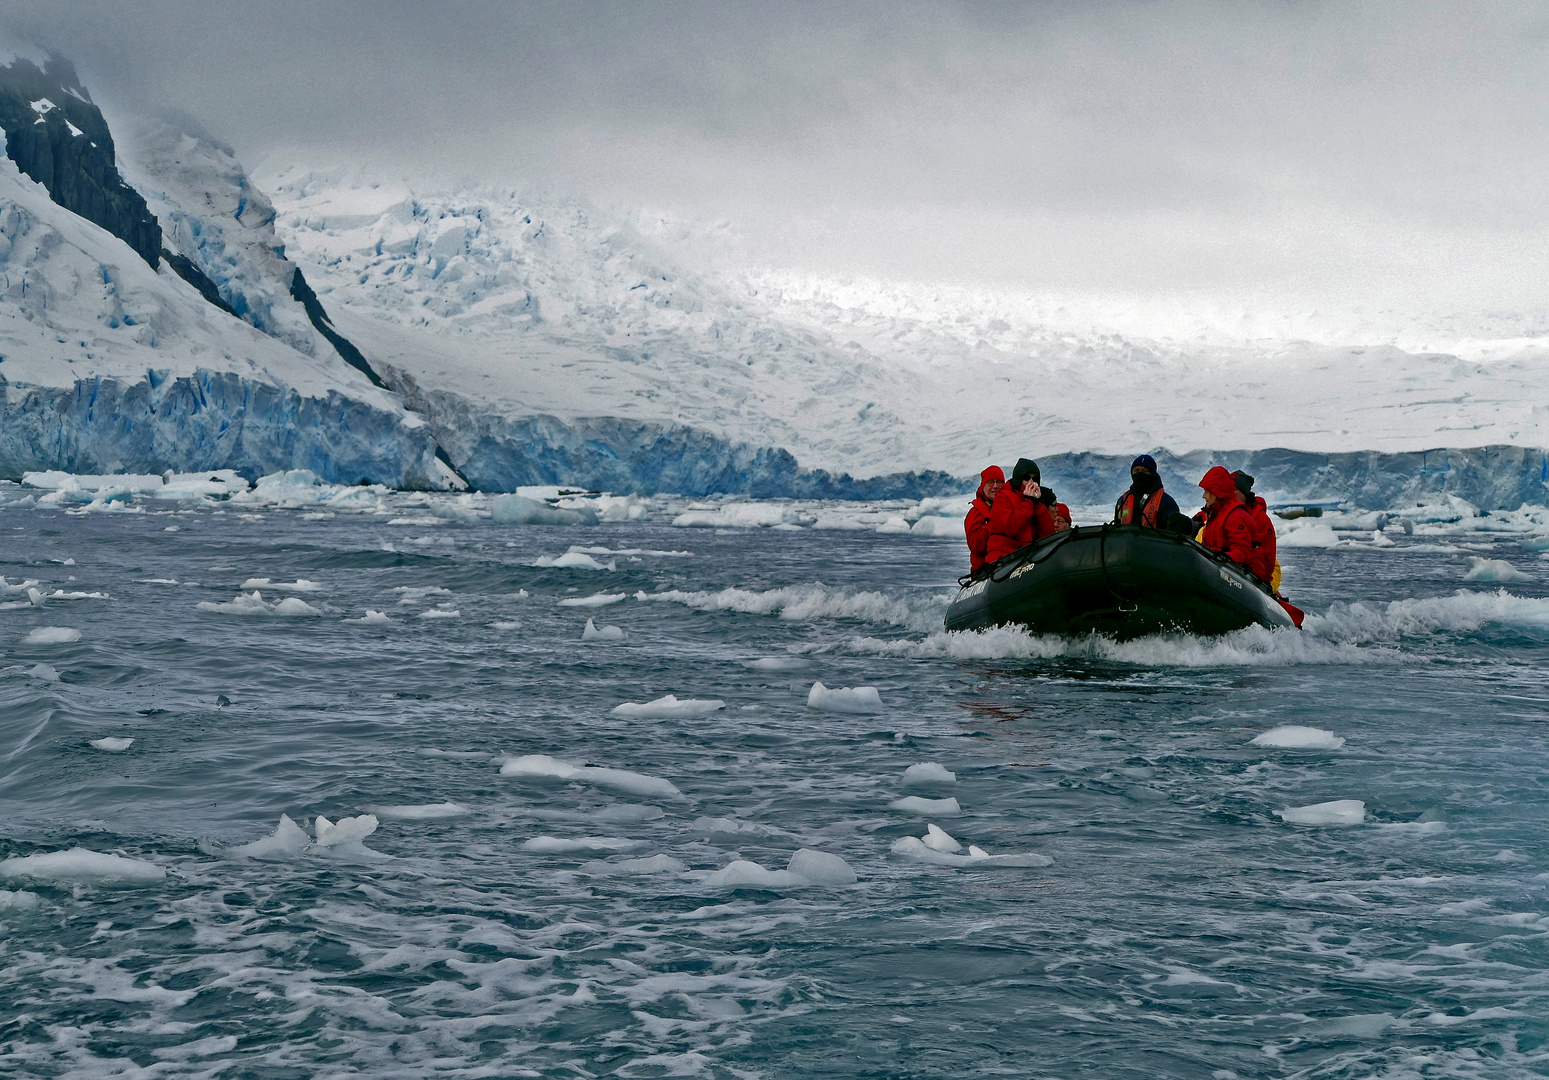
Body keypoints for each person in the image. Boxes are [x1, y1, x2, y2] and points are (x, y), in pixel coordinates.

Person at [985, 458, 1058, 563]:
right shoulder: (1003, 498)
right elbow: (1011, 528)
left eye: (1035, 479)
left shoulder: (1035, 502)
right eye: (1027, 478)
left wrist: (1038, 504)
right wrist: (1027, 502)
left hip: (1026, 556)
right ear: (1019, 478)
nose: (1031, 482)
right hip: (1003, 556)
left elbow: (1048, 534)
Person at [1196, 466, 1256, 569]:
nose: (1203, 496)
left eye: (1206, 491)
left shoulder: (1236, 516)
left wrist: (1221, 558)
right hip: (1219, 568)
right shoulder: (1215, 514)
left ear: (1216, 493)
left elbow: (1242, 553)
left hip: (1241, 575)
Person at [1232, 470, 1279, 588]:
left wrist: (1265, 584)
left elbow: (1268, 558)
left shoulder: (1260, 519)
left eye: (1234, 489)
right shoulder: (1219, 514)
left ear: (1243, 492)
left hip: (1251, 580)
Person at [1113, 454, 1183, 530]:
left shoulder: (1166, 502)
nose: (1140, 474)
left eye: (1144, 471)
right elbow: (1116, 529)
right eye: (1136, 470)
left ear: (1152, 474)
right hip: (1126, 540)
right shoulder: (1123, 501)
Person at [964, 465, 1004, 573]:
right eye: (991, 482)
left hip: (1007, 566)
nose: (995, 486)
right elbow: (975, 547)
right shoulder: (975, 513)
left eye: (999, 482)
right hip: (984, 572)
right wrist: (990, 524)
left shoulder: (1009, 508)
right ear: (983, 486)